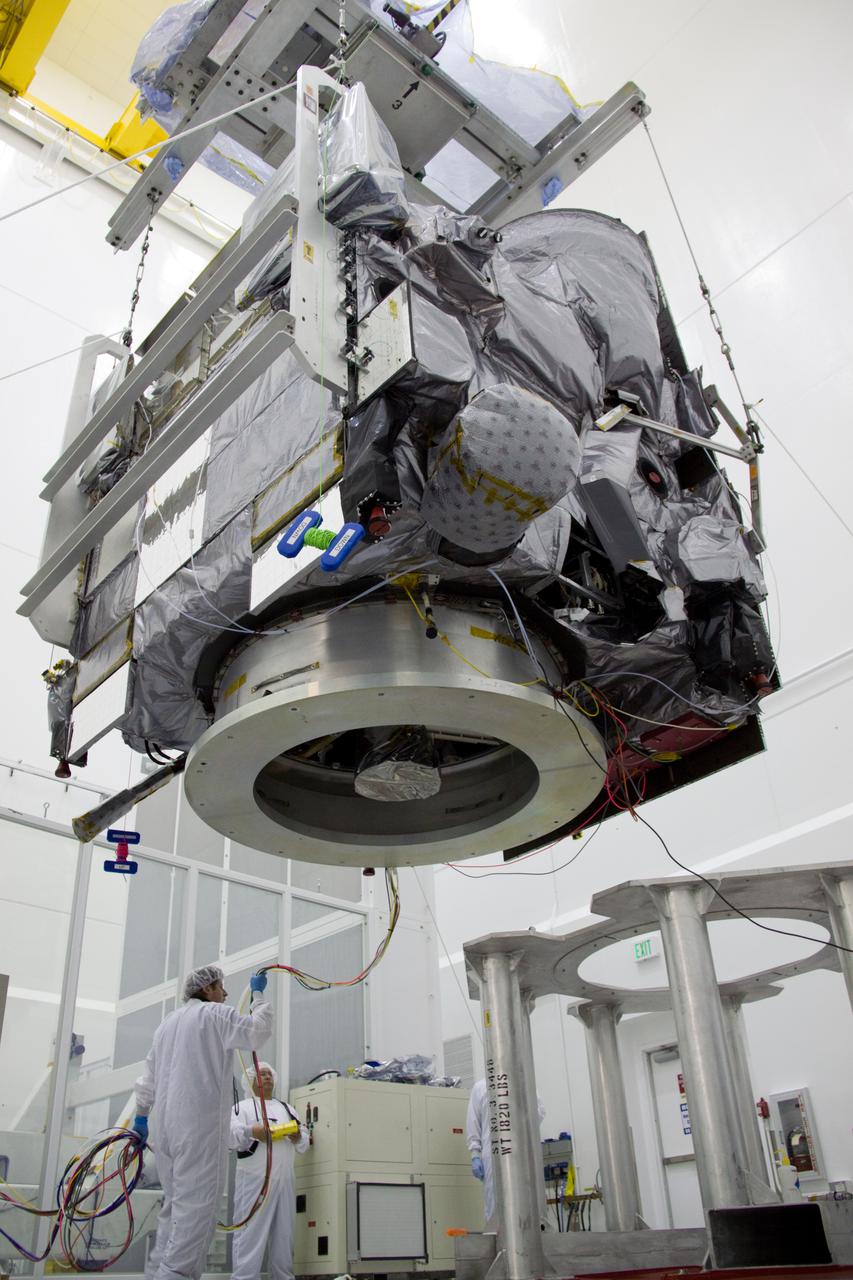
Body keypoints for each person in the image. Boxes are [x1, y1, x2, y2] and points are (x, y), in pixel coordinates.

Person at [132, 964, 272, 1280]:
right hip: (198, 1131)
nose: (226, 993)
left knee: (174, 1212)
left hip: (165, 1133)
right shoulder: (213, 1016)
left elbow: (148, 1078)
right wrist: (259, 993)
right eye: (222, 987)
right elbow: (257, 1032)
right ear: (207, 989)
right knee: (195, 1216)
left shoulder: (167, 1024)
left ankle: (157, 1274)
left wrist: (141, 1117)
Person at [229, 1061, 309, 1280]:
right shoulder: (242, 1107)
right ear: (250, 1081)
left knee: (285, 1236)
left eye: (269, 1074)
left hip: (285, 1180)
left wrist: (298, 1136)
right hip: (255, 1180)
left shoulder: (287, 1108)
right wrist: (252, 1131)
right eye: (261, 1074)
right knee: (250, 1234)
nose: (267, 1077)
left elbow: (304, 1139)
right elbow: (229, 1137)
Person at [466, 1078, 545, 1226]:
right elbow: (473, 1121)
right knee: (495, 1200)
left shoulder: (522, 1082)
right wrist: (475, 1153)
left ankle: (527, 1239)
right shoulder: (481, 1087)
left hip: (520, 1152)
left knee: (524, 1199)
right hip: (492, 1154)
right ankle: (498, 1239)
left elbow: (539, 1112)